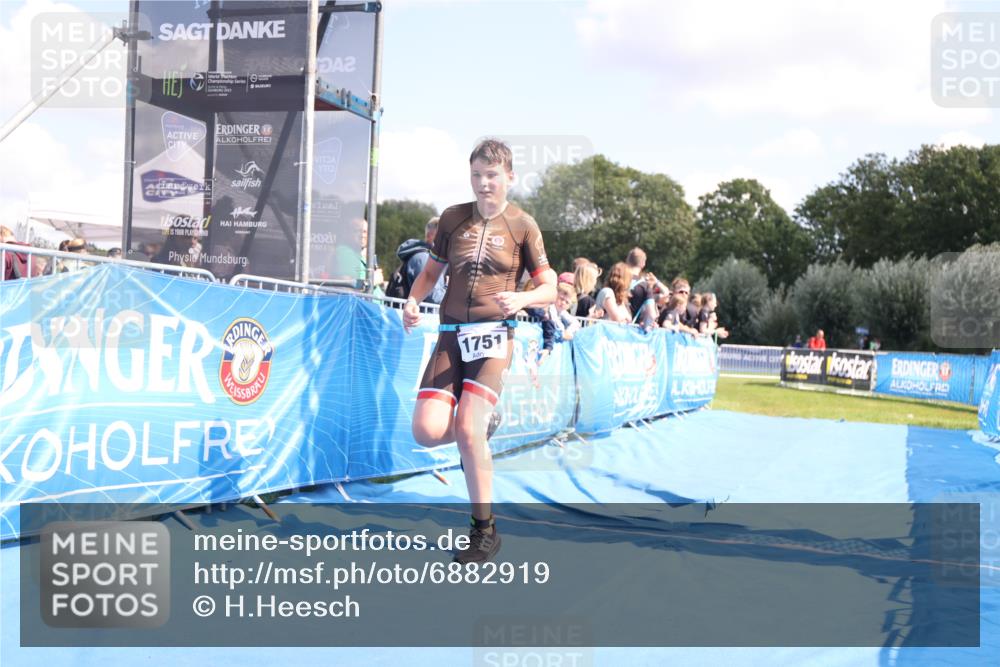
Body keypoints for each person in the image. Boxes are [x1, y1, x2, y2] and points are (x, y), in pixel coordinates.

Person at [402, 139, 556, 564]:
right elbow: (431, 272)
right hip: (450, 334)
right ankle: (483, 424)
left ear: (509, 177)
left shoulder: (524, 225)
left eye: (491, 176)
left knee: (468, 432)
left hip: (493, 337)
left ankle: (483, 530)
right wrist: (414, 302)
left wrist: (523, 300)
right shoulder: (452, 218)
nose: (483, 184)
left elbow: (550, 286)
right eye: (476, 176)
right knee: (426, 431)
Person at [390, 217, 446, 303]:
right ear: (430, 235)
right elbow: (433, 297)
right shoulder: (423, 258)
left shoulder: (426, 257)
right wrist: (451, 290)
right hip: (421, 315)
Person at [332, 217, 384, 290]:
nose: (362, 235)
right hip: (359, 301)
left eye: (365, 232)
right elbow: (346, 288)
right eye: (357, 231)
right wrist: (373, 281)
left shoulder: (364, 255)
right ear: (348, 233)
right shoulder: (344, 253)